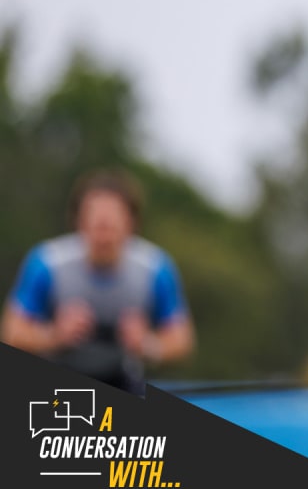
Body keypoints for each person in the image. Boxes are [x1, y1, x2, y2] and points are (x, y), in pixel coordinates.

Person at [1, 169, 195, 396]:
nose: (103, 235)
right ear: (79, 221)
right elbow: (11, 332)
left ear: (131, 222)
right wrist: (54, 335)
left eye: (111, 224)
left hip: (124, 382)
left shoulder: (155, 268)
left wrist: (147, 344)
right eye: (96, 222)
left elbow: (182, 340)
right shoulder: (47, 262)